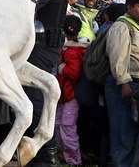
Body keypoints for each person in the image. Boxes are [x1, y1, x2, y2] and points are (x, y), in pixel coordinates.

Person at [24, 0, 69, 166]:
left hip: (43, 45)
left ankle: (47, 154)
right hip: (44, 44)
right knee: (35, 97)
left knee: (35, 99)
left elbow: (31, 1)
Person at [104, 0, 139, 167]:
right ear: (129, 7)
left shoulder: (138, 28)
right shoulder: (122, 27)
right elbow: (118, 58)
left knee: (136, 135)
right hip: (126, 87)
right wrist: (124, 84)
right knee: (123, 135)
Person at [55, 15, 87, 166]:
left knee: (67, 128)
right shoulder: (74, 48)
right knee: (58, 125)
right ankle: (63, 155)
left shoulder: (72, 51)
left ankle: (74, 160)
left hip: (70, 95)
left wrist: (61, 66)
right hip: (65, 95)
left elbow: (74, 73)